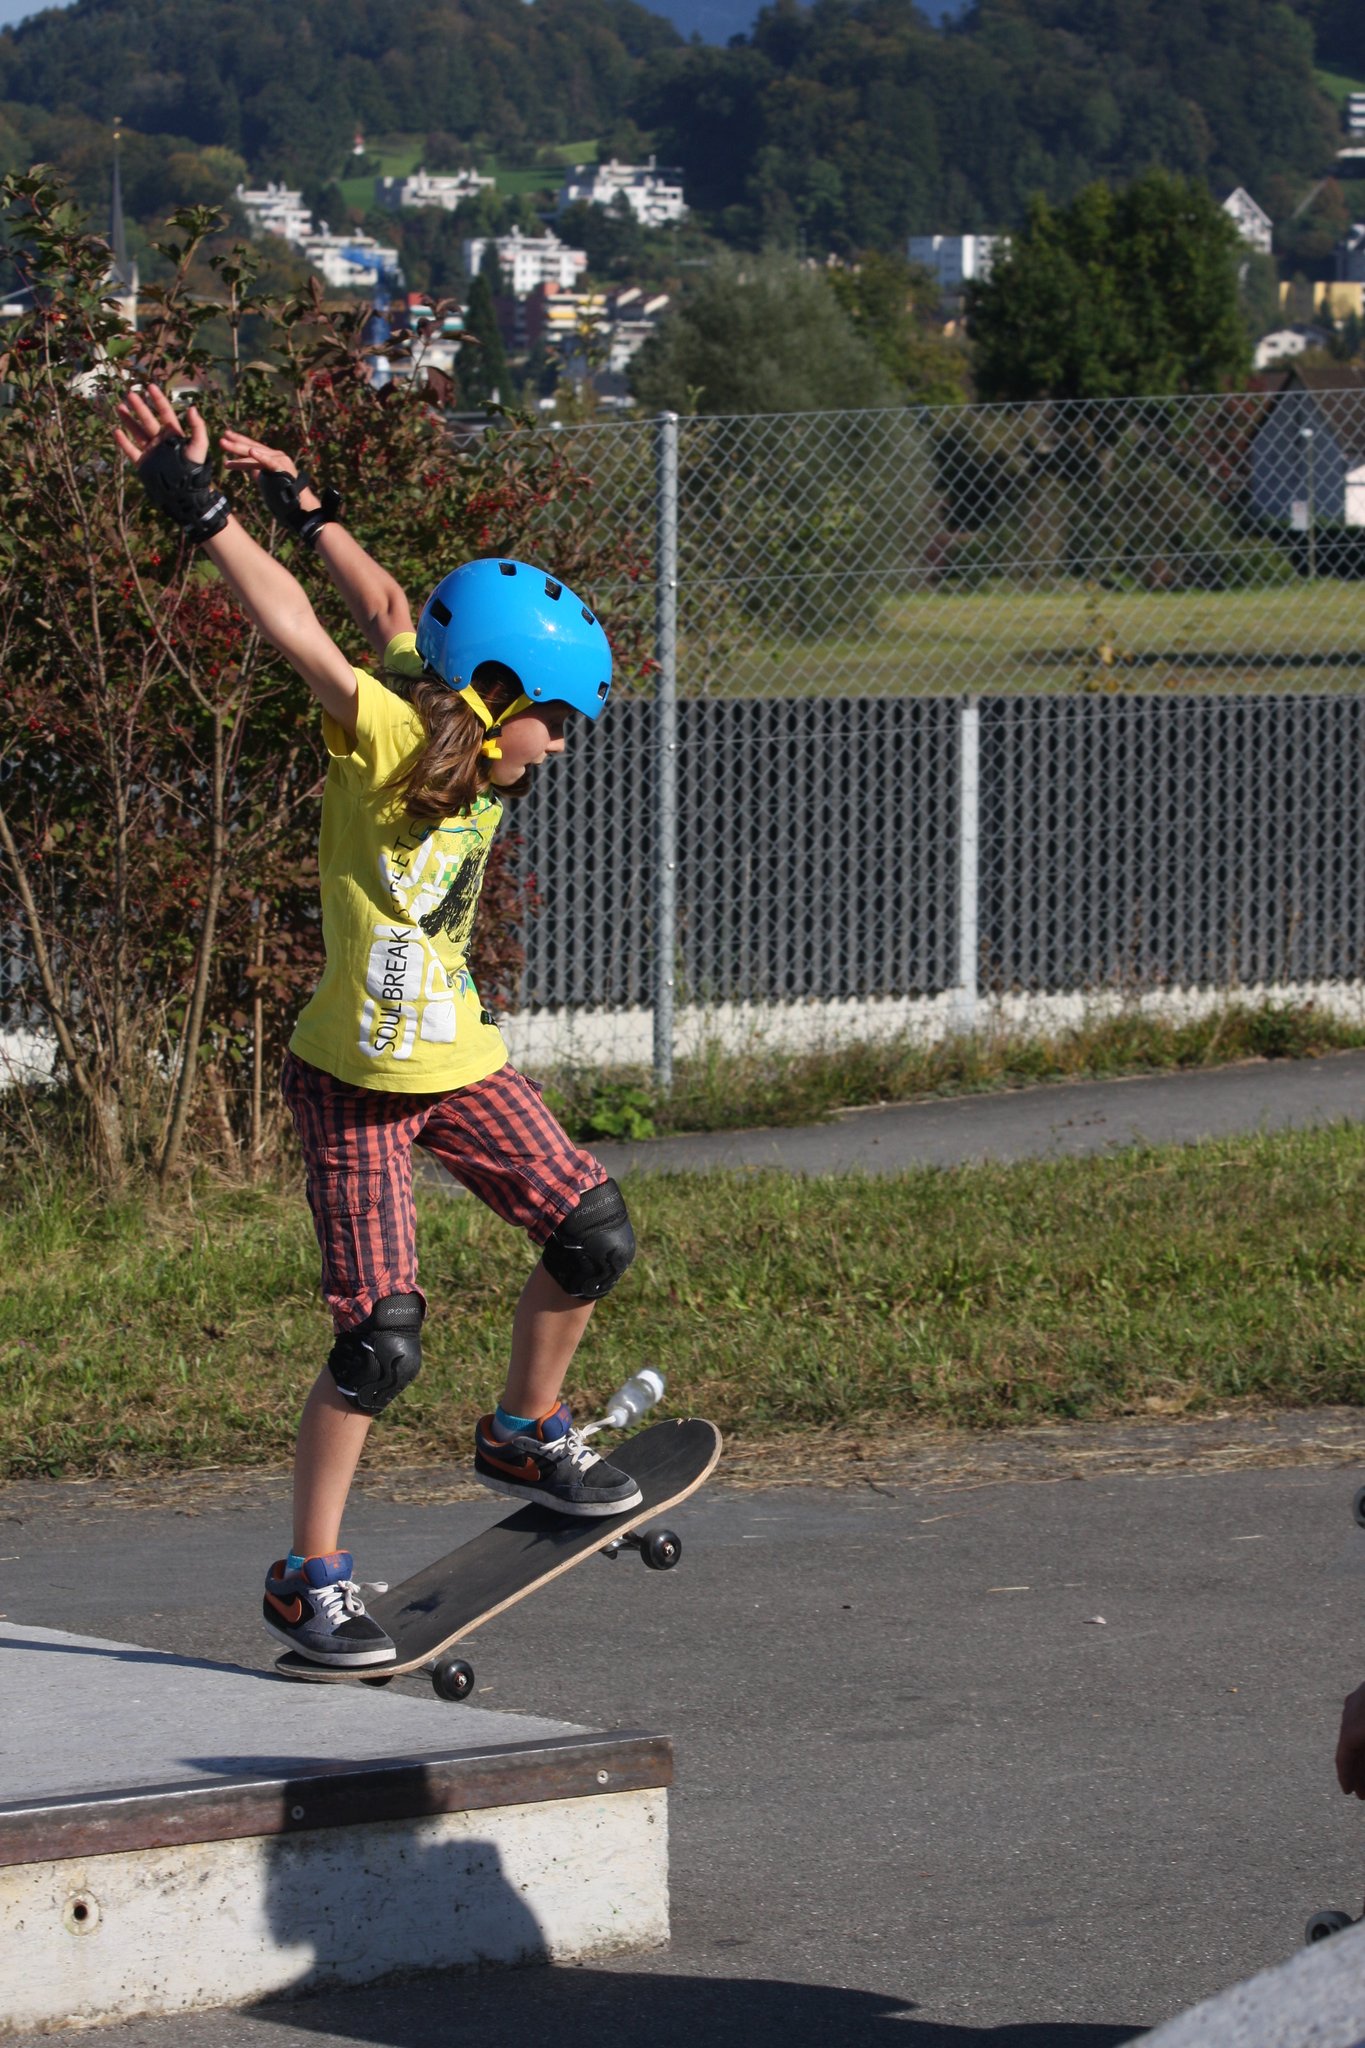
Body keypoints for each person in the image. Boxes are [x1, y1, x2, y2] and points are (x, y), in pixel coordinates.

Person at [112, 386, 642, 1669]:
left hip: (459, 1060)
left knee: (593, 1235)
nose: (561, 748)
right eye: (557, 720)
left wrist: (314, 506)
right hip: (351, 1081)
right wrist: (213, 519)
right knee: (378, 1342)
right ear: (499, 694)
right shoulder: (396, 733)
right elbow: (304, 636)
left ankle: (525, 1426)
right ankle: (310, 1576)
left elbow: (397, 610)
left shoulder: (462, 710)